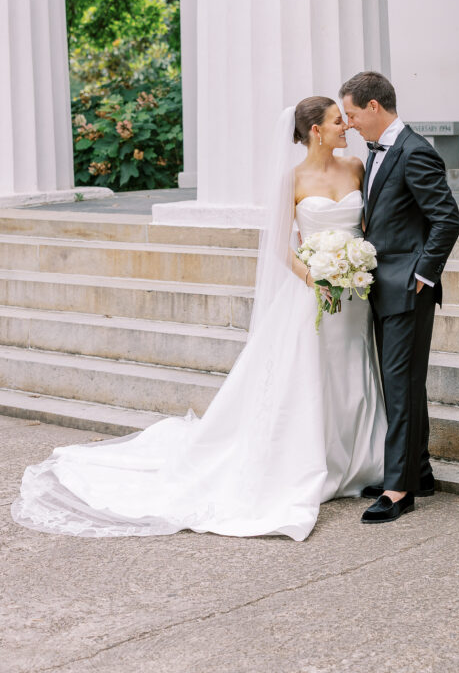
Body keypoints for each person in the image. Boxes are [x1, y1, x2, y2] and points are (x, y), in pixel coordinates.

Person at [11, 98, 386, 541]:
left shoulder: (356, 167)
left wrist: (355, 265)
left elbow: (365, 225)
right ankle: (315, 461)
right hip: (314, 292)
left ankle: (362, 462)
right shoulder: (293, 179)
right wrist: (313, 277)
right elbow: (277, 243)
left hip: (356, 291)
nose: (345, 125)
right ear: (314, 132)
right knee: (314, 375)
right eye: (336, 120)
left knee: (353, 369)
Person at [340, 71, 459, 524]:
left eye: (352, 113)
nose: (349, 123)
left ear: (374, 107)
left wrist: (422, 275)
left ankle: (398, 490)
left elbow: (447, 220)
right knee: (402, 385)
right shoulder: (376, 152)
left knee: (400, 385)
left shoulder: (415, 152)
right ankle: (419, 472)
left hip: (407, 289)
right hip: (381, 285)